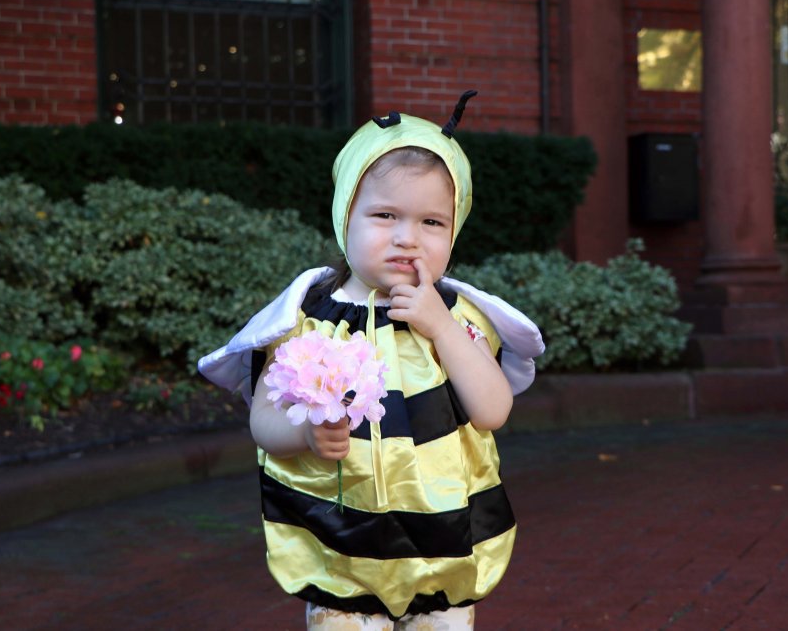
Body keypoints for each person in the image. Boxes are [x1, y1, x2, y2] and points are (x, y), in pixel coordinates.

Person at [198, 91, 544, 630]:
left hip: (442, 553)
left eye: (432, 222)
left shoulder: (459, 316)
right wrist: (307, 436)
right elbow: (264, 419)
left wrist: (440, 327)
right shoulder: (307, 318)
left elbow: (493, 409)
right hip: (341, 553)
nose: (407, 238)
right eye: (385, 215)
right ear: (345, 217)